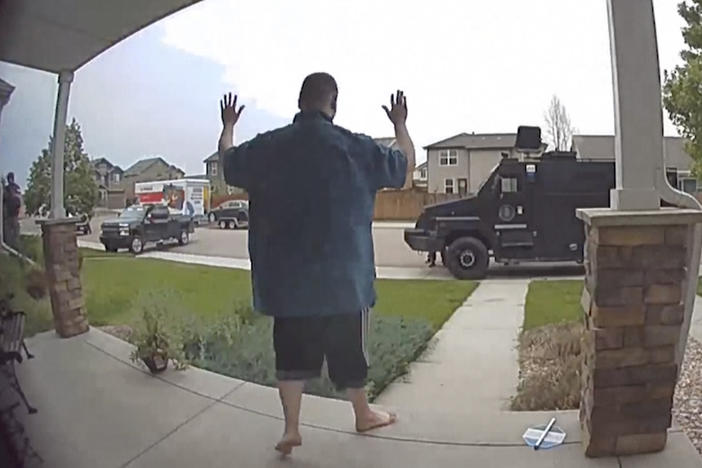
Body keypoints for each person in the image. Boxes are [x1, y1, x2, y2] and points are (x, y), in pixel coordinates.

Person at [218, 73, 415, 456]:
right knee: (350, 355)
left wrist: (228, 127)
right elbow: (405, 169)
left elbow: (227, 162)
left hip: (289, 283)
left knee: (290, 356)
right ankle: (362, 413)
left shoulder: (267, 148)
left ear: (299, 102)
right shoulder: (356, 148)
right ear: (333, 104)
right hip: (343, 280)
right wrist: (400, 124)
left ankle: (291, 428)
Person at [2, 172, 21, 249]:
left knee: (11, 233)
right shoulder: (15, 188)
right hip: (12, 214)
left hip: (11, 214)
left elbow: (4, 200)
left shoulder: (9, 188)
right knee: (12, 233)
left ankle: (12, 248)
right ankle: (13, 248)